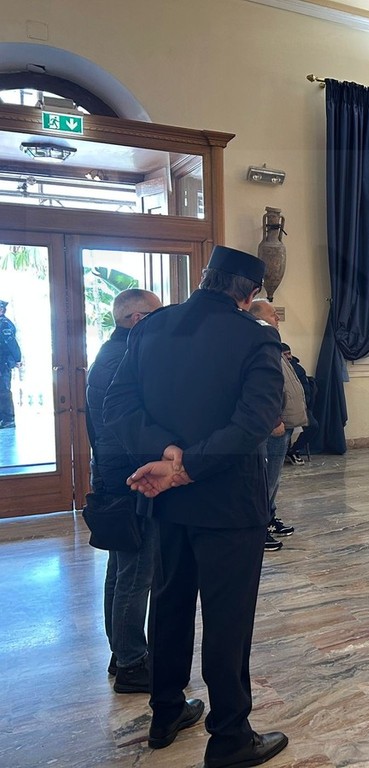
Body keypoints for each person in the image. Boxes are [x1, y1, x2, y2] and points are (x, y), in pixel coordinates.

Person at [104, 245, 289, 768]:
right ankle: (230, 737)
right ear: (251, 293)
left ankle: (165, 713)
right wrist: (189, 466)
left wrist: (165, 453)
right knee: (228, 619)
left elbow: (116, 405)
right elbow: (257, 420)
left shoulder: (150, 329)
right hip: (229, 502)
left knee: (169, 605)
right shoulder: (255, 337)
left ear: (205, 277)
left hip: (166, 500)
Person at [85, 288, 163, 693]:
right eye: (156, 315)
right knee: (136, 574)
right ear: (137, 319)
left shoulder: (110, 353)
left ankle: (122, 653)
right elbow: (131, 425)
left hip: (113, 473)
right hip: (130, 478)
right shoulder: (125, 360)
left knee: (120, 570)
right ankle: (133, 664)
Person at [248, 299, 306, 550]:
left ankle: (269, 517)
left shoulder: (272, 342)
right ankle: (258, 528)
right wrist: (275, 419)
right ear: (258, 317)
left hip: (284, 422)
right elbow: (266, 388)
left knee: (274, 478)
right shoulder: (258, 342)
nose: (277, 318)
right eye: (273, 314)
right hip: (274, 424)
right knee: (266, 479)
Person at [281, 344, 317, 464]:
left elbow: (306, 390)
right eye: (285, 354)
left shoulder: (298, 368)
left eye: (289, 353)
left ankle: (294, 450)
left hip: (300, 406)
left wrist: (305, 405)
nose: (288, 357)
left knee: (313, 426)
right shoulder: (277, 368)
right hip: (283, 408)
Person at [0, 298, 21, 429]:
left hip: (3, 363)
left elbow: (11, 343)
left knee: (3, 390)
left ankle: (8, 418)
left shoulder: (4, 324)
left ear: (2, 310)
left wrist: (17, 359)